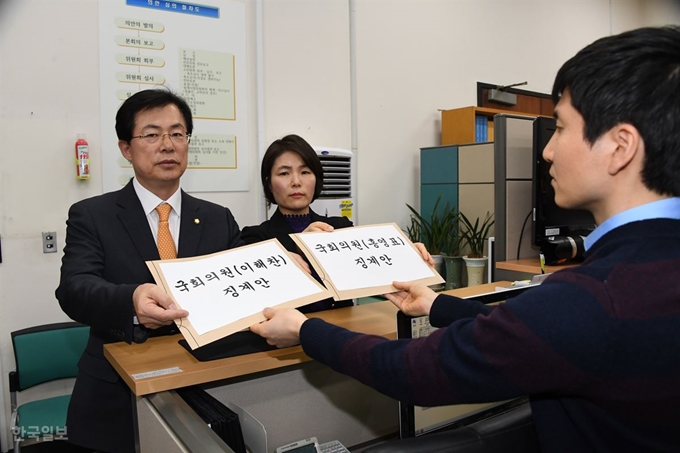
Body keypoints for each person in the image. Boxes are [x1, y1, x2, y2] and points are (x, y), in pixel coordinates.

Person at [251, 26, 680, 452]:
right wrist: (435, 304)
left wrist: (306, 331)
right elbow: (530, 335)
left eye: (561, 128)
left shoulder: (592, 298)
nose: (548, 151)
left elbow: (413, 371)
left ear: (621, 146)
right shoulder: (631, 280)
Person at [56, 89, 244, 453]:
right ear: (126, 148)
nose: (168, 145)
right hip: (116, 393)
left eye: (177, 133)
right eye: (152, 134)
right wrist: (131, 299)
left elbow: (244, 280)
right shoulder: (92, 215)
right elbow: (74, 289)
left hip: (210, 385)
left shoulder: (217, 217)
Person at [242, 134, 434, 312]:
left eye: (305, 172)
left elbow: (373, 271)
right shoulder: (255, 238)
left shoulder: (339, 227)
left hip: (342, 335)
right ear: (268, 183)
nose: (296, 182)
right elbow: (261, 292)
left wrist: (407, 257)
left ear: (316, 178)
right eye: (284, 173)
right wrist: (300, 246)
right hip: (288, 341)